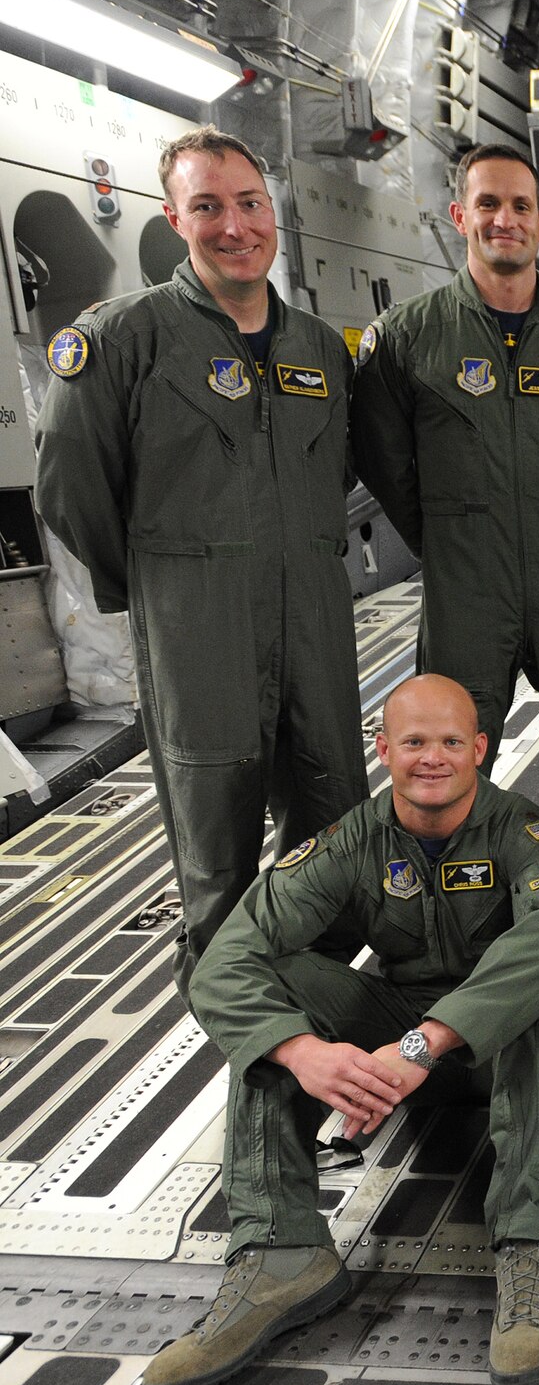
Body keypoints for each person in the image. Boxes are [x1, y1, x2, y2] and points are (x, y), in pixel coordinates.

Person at [137, 675, 539, 1385]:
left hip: (491, 1051)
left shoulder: (530, 838)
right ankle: (281, 1252)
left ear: (480, 748)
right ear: (384, 750)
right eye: (413, 742)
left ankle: (528, 1251)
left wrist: (422, 1047)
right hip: (392, 1036)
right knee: (271, 995)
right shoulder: (352, 841)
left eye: (450, 741)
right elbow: (227, 958)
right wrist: (302, 1050)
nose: (432, 758)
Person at [34, 126, 366, 1000]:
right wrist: (158, 583)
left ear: (274, 215)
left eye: (249, 204)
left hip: (317, 631)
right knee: (217, 858)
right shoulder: (123, 341)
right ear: (175, 218)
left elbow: (339, 476)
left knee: (333, 831)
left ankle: (330, 1026)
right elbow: (68, 491)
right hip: (198, 637)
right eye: (208, 207)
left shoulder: (320, 350)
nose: (234, 226)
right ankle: (251, 1053)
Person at [352, 143, 539, 861]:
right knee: (449, 756)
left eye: (519, 206)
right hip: (465, 581)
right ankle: (457, 909)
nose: (504, 219)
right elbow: (386, 464)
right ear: (459, 216)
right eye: (487, 204)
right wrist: (450, 534)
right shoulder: (408, 339)